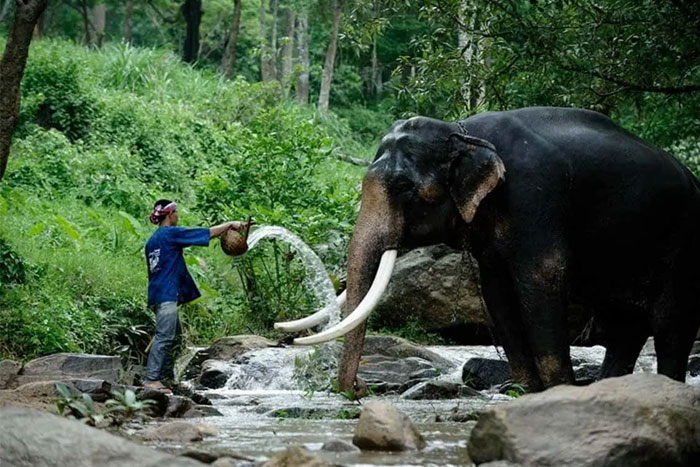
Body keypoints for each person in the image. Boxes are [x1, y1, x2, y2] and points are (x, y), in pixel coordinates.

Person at [143, 199, 245, 393]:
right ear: (170, 215)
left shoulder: (152, 241)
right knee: (165, 337)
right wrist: (230, 225)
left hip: (158, 294)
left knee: (175, 337)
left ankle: (166, 378)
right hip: (166, 295)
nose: (178, 216)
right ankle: (151, 380)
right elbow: (205, 233)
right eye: (177, 213)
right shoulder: (171, 234)